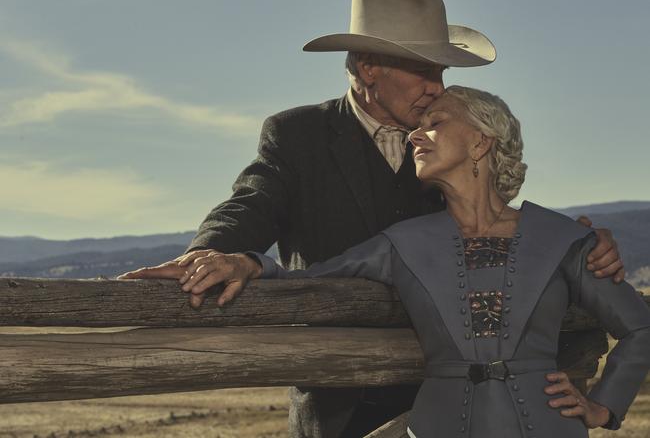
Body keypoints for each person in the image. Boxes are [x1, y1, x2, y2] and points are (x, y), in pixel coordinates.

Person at [118, 0, 625, 438]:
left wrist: (583, 241)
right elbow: (251, 202)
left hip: (452, 400)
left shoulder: (446, 143)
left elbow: (504, 225)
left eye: (441, 71)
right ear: (368, 65)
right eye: (423, 69)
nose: (437, 87)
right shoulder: (298, 136)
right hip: (338, 398)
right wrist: (218, 253)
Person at [173, 86, 650, 437]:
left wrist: (603, 407)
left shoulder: (562, 237)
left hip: (548, 427)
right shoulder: (401, 242)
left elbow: (638, 327)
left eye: (435, 123)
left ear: (481, 142)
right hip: (438, 425)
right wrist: (248, 262)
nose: (416, 135)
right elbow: (311, 278)